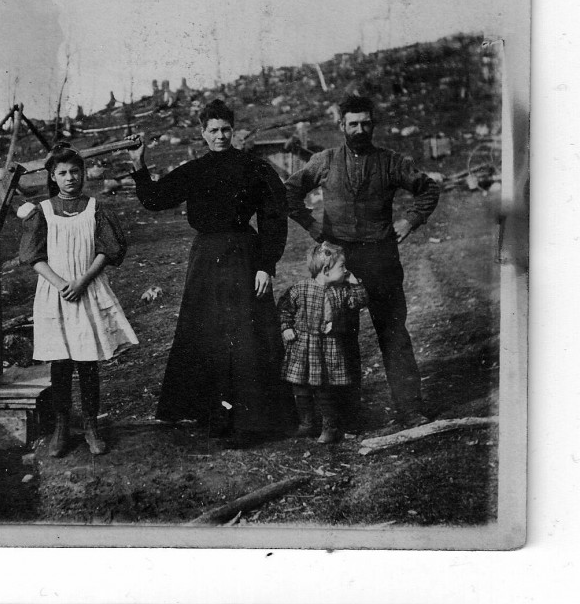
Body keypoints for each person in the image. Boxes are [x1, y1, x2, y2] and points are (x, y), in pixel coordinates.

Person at [125, 98, 291, 446]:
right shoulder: (195, 170)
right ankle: (216, 418)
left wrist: (266, 266)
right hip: (207, 262)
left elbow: (274, 217)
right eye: (213, 130)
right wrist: (139, 167)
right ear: (203, 134)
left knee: (246, 338)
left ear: (234, 131)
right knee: (210, 337)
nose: (220, 136)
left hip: (244, 258)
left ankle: (252, 421)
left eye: (225, 130)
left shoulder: (254, 167)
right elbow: (155, 198)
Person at [284, 94, 440, 428]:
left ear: (373, 124)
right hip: (340, 263)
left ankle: (409, 408)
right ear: (341, 125)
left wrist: (410, 220)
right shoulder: (324, 161)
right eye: (352, 123)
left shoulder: (390, 161)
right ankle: (347, 414)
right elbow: (289, 191)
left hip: (382, 259)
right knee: (340, 337)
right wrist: (313, 226)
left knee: (393, 334)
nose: (359, 129)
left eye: (365, 123)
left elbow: (427, 189)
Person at [19, 144, 138, 457]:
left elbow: (108, 249)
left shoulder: (95, 208)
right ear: (53, 177)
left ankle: (90, 426)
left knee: (87, 361)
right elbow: (33, 256)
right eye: (62, 173)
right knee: (60, 363)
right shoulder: (42, 211)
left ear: (83, 173)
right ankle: (60, 428)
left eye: (75, 171)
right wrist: (61, 284)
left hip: (88, 288)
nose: (70, 177)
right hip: (56, 294)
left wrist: (82, 281)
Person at [278, 242, 368, 444]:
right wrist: (287, 327)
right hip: (303, 346)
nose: (346, 270)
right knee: (300, 386)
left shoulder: (342, 291)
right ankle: (307, 423)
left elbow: (359, 302)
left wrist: (355, 283)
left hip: (328, 347)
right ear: (326, 270)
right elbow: (284, 308)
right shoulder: (300, 289)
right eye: (342, 267)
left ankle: (330, 427)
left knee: (325, 389)